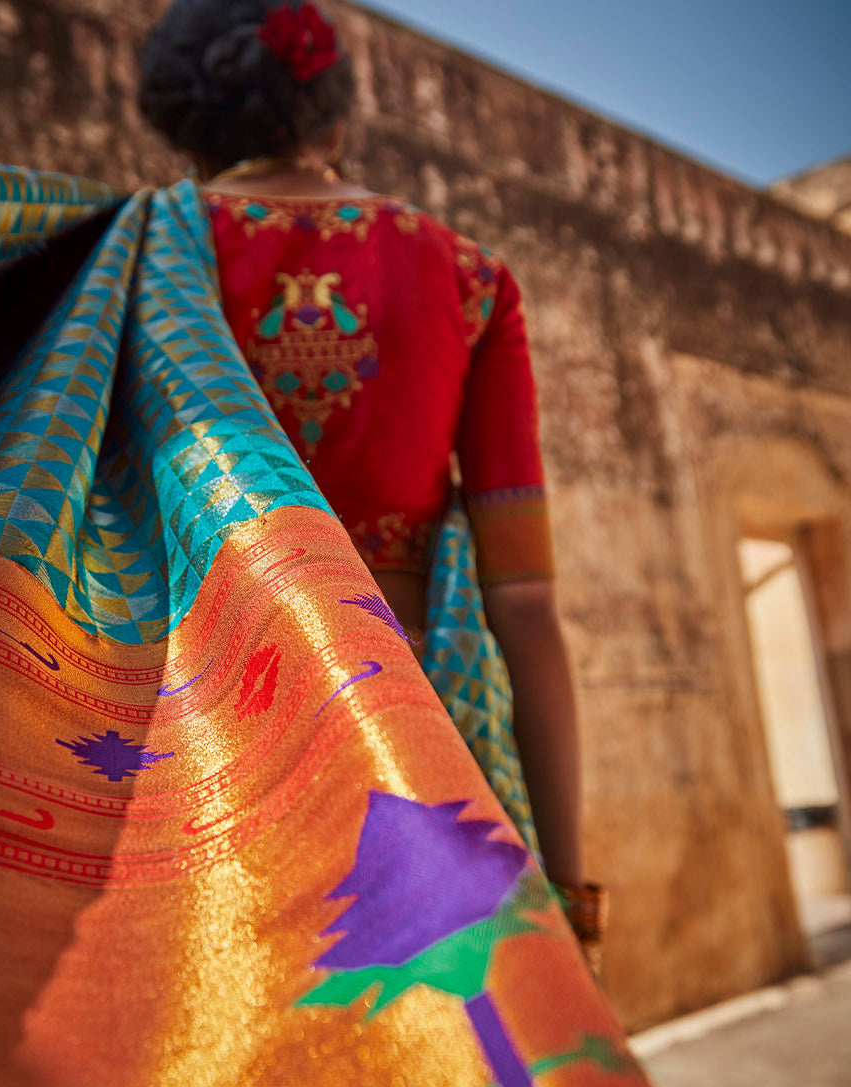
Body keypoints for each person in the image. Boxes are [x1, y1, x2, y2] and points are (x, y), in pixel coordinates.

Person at [138, 0, 605, 953]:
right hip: (415, 726)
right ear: (336, 115)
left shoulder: (144, 261)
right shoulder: (470, 280)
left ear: (184, 125)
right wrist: (571, 895)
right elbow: (523, 605)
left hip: (204, 728)